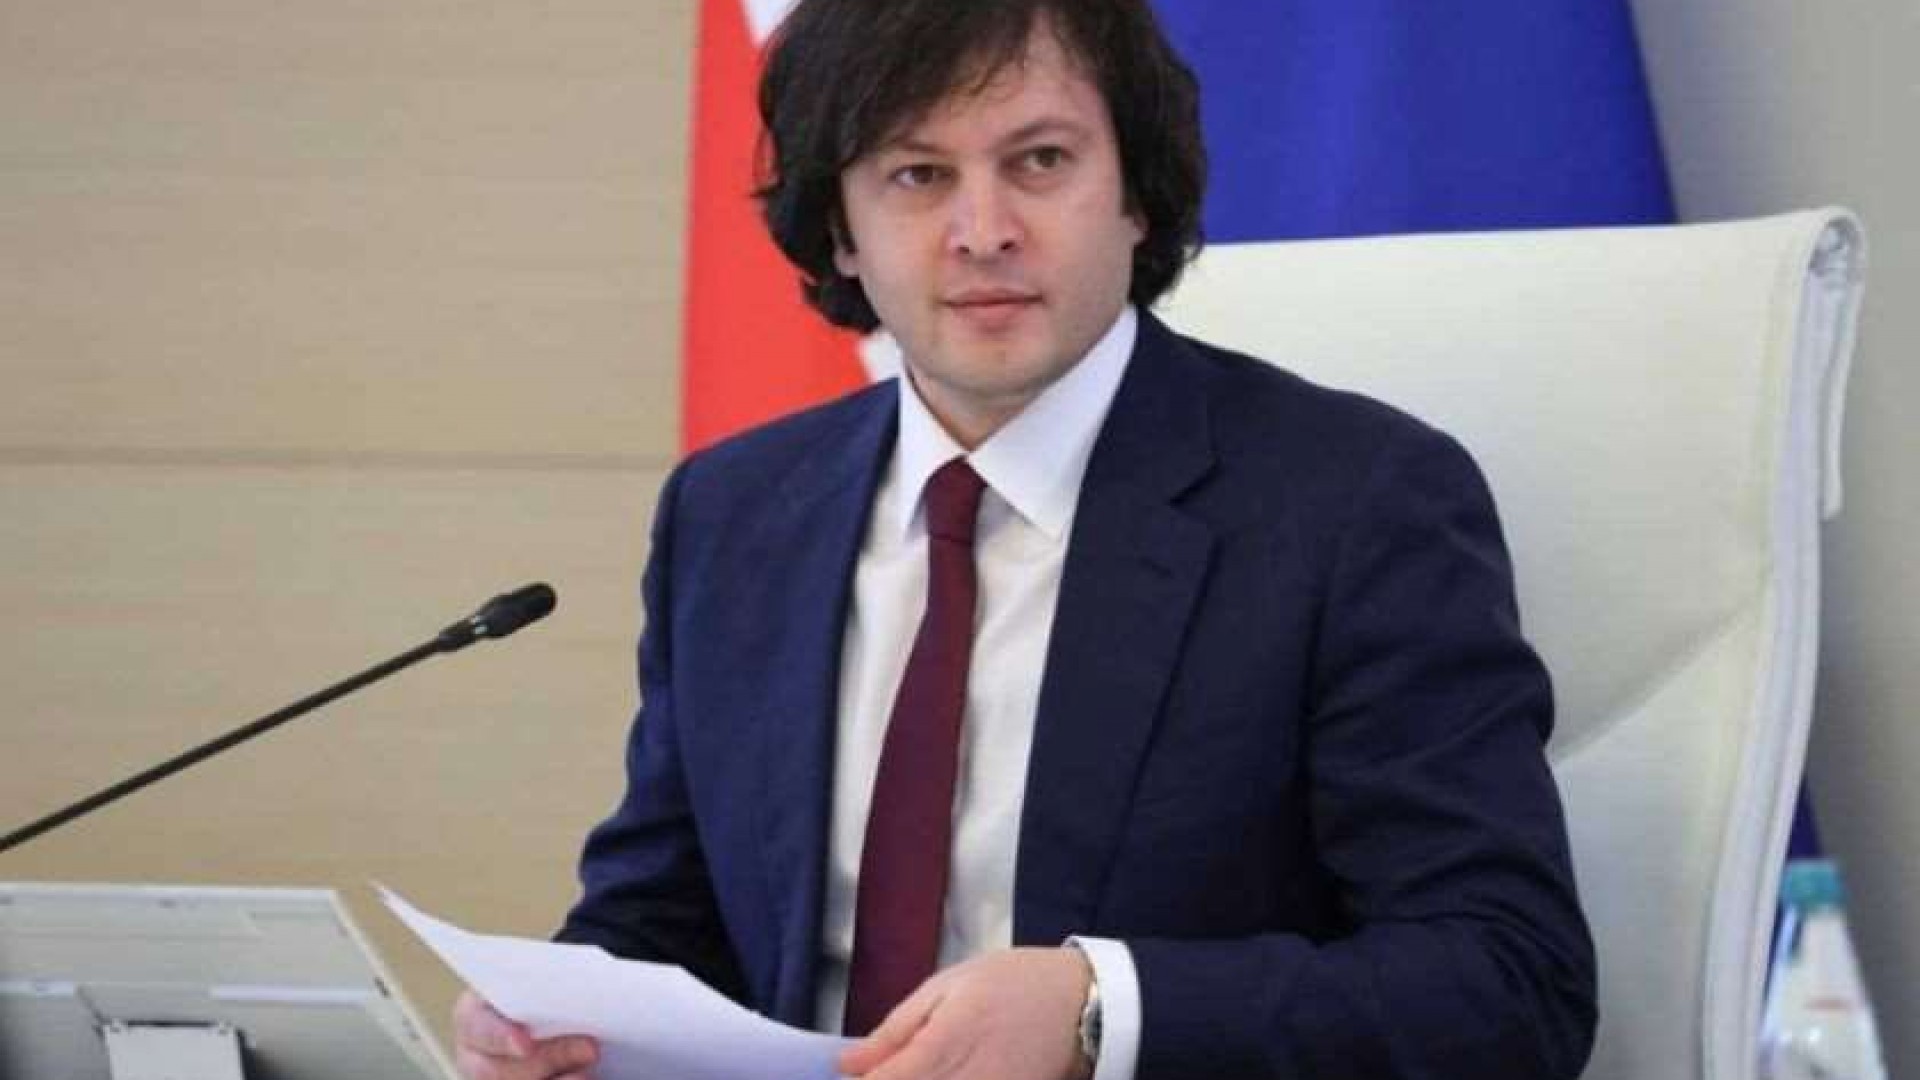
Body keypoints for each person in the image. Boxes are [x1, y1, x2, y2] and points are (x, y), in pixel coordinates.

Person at [453, 0, 1597, 1078]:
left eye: (1040, 161)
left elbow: (1508, 981)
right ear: (840, 229)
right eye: (918, 175)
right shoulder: (737, 511)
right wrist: (558, 1014)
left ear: (1137, 193)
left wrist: (1102, 1013)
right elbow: (665, 915)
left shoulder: (1354, 505)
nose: (983, 232)